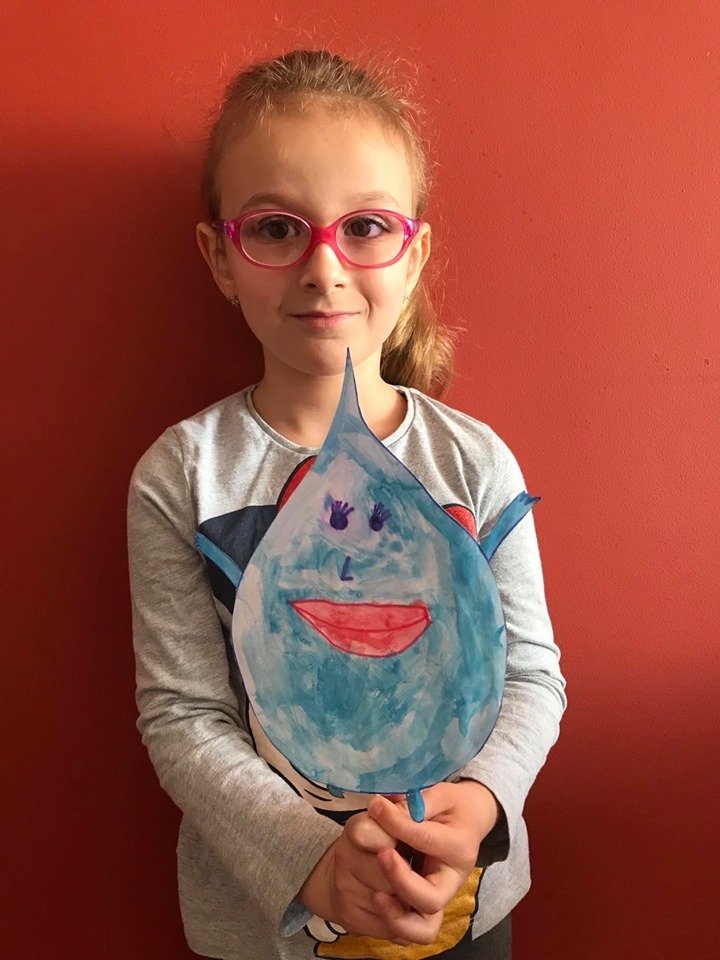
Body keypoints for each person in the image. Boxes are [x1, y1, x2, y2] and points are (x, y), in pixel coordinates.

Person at [127, 48, 567, 960]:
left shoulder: (473, 462)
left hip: (465, 911)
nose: (324, 268)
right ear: (220, 256)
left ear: (415, 256)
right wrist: (312, 862)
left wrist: (482, 802)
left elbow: (530, 675)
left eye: (365, 226)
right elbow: (184, 718)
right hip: (267, 928)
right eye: (276, 228)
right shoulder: (182, 476)